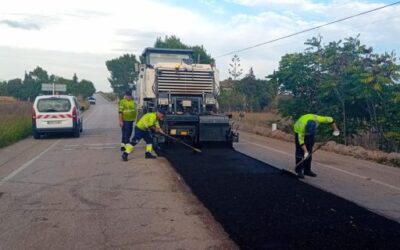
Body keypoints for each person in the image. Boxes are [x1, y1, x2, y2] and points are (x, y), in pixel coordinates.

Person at [294, 114, 340, 178]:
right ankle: (298, 170)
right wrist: (305, 151)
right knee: (300, 151)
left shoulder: (318, 119)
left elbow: (331, 120)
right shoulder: (300, 127)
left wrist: (335, 129)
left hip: (310, 132)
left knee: (309, 150)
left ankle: (307, 171)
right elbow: (301, 142)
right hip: (298, 131)